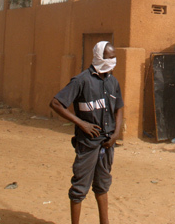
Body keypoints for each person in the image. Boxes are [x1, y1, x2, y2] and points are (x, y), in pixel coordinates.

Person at [51, 41, 124, 224]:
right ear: (99, 57)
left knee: (102, 185)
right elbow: (56, 103)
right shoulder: (81, 81)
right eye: (109, 57)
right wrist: (82, 123)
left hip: (107, 142)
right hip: (88, 143)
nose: (112, 61)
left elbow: (119, 108)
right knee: (79, 187)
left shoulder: (112, 81)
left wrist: (115, 134)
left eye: (114, 57)